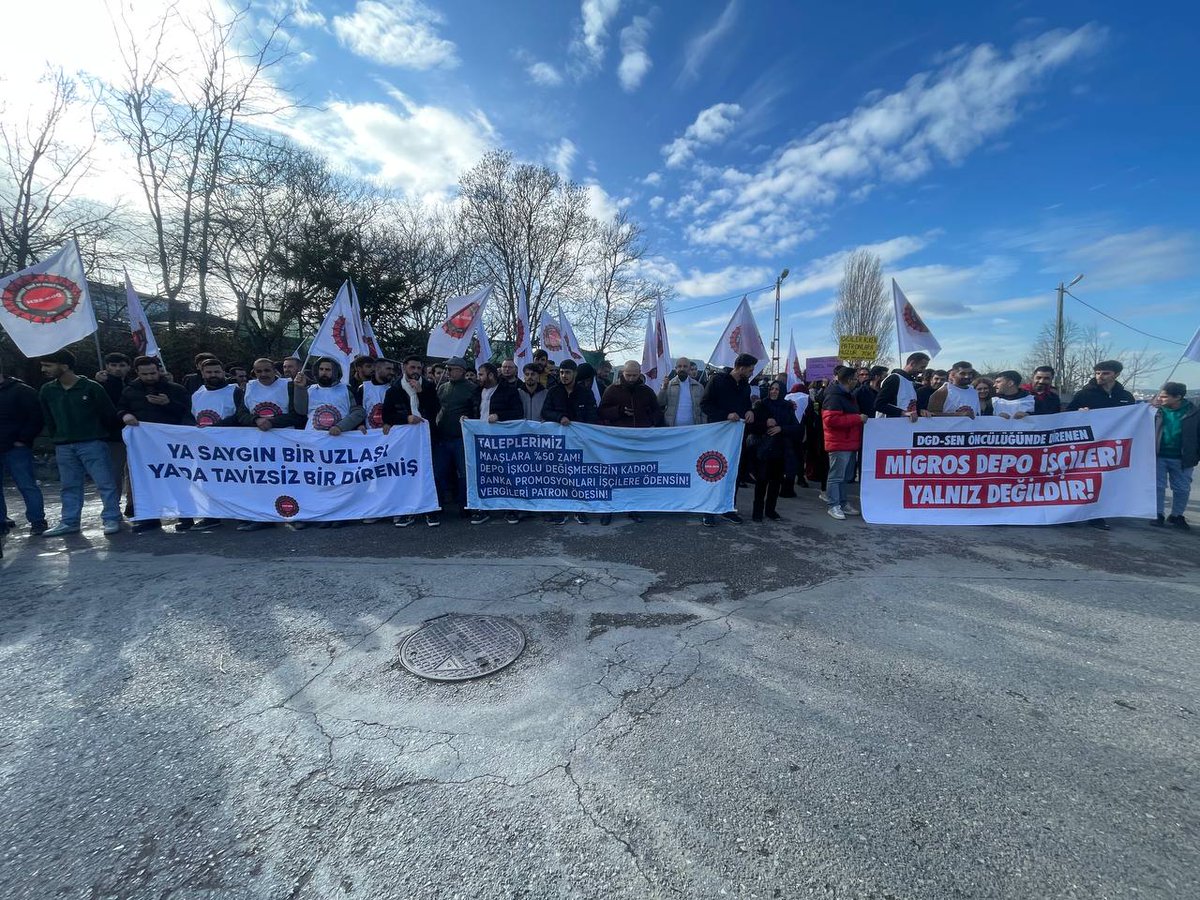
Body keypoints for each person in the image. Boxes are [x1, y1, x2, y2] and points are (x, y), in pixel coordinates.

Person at [36, 350, 122, 536]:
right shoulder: (48, 390)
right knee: (69, 485)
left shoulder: (91, 387)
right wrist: (57, 438)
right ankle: (70, 521)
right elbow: (48, 418)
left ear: (64, 366)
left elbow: (108, 414)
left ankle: (112, 518)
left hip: (93, 443)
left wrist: (101, 434)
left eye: (48, 365)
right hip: (64, 445)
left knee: (105, 483)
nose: (44, 369)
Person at [119, 355, 196, 533]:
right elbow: (120, 408)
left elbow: (188, 413)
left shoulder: (175, 389)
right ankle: (150, 518)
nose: (150, 377)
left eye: (153, 373)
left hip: (172, 445)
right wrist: (125, 415)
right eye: (145, 374)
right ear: (137, 372)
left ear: (159, 370)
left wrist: (168, 404)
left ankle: (186, 516)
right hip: (144, 447)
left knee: (178, 480)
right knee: (146, 482)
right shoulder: (130, 391)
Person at [598, 361, 661, 525]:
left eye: (635, 375)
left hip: (640, 442)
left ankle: (633, 508)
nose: (631, 379)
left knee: (634, 477)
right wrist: (618, 411)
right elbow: (602, 411)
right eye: (628, 375)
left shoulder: (647, 391)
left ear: (640, 374)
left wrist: (651, 421)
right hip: (617, 442)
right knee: (613, 476)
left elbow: (656, 411)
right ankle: (609, 509)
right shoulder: (612, 390)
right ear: (622, 373)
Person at [698, 352, 757, 526]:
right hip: (717, 435)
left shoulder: (746, 385)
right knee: (713, 471)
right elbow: (705, 405)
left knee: (734, 473)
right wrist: (725, 415)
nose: (752, 373)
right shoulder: (717, 381)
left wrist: (750, 411)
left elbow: (746, 405)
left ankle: (728, 507)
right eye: (750, 370)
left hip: (736, 437)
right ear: (741, 368)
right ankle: (708, 510)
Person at [383, 356, 442, 528]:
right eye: (412, 368)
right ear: (404, 368)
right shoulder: (394, 389)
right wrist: (406, 418)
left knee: (430, 473)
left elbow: (435, 409)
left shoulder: (429, 386)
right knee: (408, 474)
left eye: (418, 368)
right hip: (406, 440)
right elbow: (387, 415)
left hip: (427, 437)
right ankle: (408, 510)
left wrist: (421, 393)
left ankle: (431, 510)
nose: (415, 371)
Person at [541, 360, 598, 525]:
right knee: (559, 477)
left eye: (567, 372)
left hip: (579, 443)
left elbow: (592, 415)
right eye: (561, 372)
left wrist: (584, 431)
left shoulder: (586, 393)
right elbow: (545, 411)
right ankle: (561, 510)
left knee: (579, 476)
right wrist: (559, 418)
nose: (564, 376)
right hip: (558, 443)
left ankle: (580, 510)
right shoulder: (553, 392)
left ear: (575, 374)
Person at [468, 362, 523, 525]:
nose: (479, 378)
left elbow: (518, 412)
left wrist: (499, 416)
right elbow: (471, 408)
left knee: (505, 474)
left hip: (502, 441)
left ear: (491, 375)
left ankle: (510, 508)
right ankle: (481, 508)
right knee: (482, 474)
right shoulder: (477, 391)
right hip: (480, 441)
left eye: (481, 374)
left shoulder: (508, 391)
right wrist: (465, 417)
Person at [0, 368, 47, 535]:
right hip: (12, 444)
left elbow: (36, 416)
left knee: (26, 485)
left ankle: (37, 521)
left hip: (16, 447)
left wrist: (24, 439)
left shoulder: (21, 391)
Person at [747, 381, 801, 522]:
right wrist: (766, 425)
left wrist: (781, 428)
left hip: (781, 450)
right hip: (763, 450)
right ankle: (757, 512)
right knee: (761, 482)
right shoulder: (761, 405)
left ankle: (771, 510)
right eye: (772, 389)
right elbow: (752, 427)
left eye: (777, 389)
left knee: (776, 483)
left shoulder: (788, 406)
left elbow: (796, 428)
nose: (774, 391)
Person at [821, 366, 867, 521]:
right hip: (839, 442)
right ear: (848, 380)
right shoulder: (835, 396)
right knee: (836, 476)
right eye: (855, 378)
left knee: (844, 476)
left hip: (848, 442)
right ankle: (833, 505)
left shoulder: (846, 395)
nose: (857, 381)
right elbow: (830, 420)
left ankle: (842, 502)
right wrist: (857, 419)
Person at [433, 357, 477, 519]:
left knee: (464, 474)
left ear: (461, 370)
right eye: (446, 369)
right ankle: (437, 505)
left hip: (462, 439)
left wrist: (470, 417)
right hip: (443, 438)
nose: (447, 372)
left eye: (451, 369)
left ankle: (465, 505)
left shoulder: (472, 388)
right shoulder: (442, 388)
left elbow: (477, 411)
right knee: (438, 472)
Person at [1153, 382, 1198, 529]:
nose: (1161, 399)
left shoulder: (1194, 413)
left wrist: (1195, 454)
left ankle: (1177, 515)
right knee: (1158, 486)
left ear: (1178, 397)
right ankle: (1157, 513)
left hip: (1183, 458)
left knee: (1182, 488)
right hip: (1158, 455)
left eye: (1164, 397)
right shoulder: (1156, 411)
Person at [875, 353, 930, 420]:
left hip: (904, 426)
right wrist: (903, 413)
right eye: (922, 367)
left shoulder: (911, 382)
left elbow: (908, 405)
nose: (923, 371)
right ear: (912, 363)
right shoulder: (894, 379)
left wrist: (920, 411)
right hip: (888, 425)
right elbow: (879, 405)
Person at [1067, 360, 1137, 411]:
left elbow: (1134, 415)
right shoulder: (1083, 394)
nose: (1100, 376)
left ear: (1117, 374)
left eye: (1105, 373)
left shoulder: (1126, 396)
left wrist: (1146, 407)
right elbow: (1067, 415)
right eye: (1097, 373)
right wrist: (1078, 411)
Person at [659, 357, 706, 428]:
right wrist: (663, 389)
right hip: (673, 429)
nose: (682, 369)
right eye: (679, 366)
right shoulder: (668, 385)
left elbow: (703, 410)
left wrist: (704, 426)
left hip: (694, 429)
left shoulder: (698, 387)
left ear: (689, 368)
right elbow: (660, 403)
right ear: (676, 368)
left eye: (685, 366)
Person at [357, 357, 394, 431]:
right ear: (377, 369)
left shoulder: (394, 389)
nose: (392, 372)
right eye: (388, 369)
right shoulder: (363, 388)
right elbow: (357, 410)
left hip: (390, 436)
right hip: (369, 436)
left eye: (392, 369)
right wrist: (360, 425)